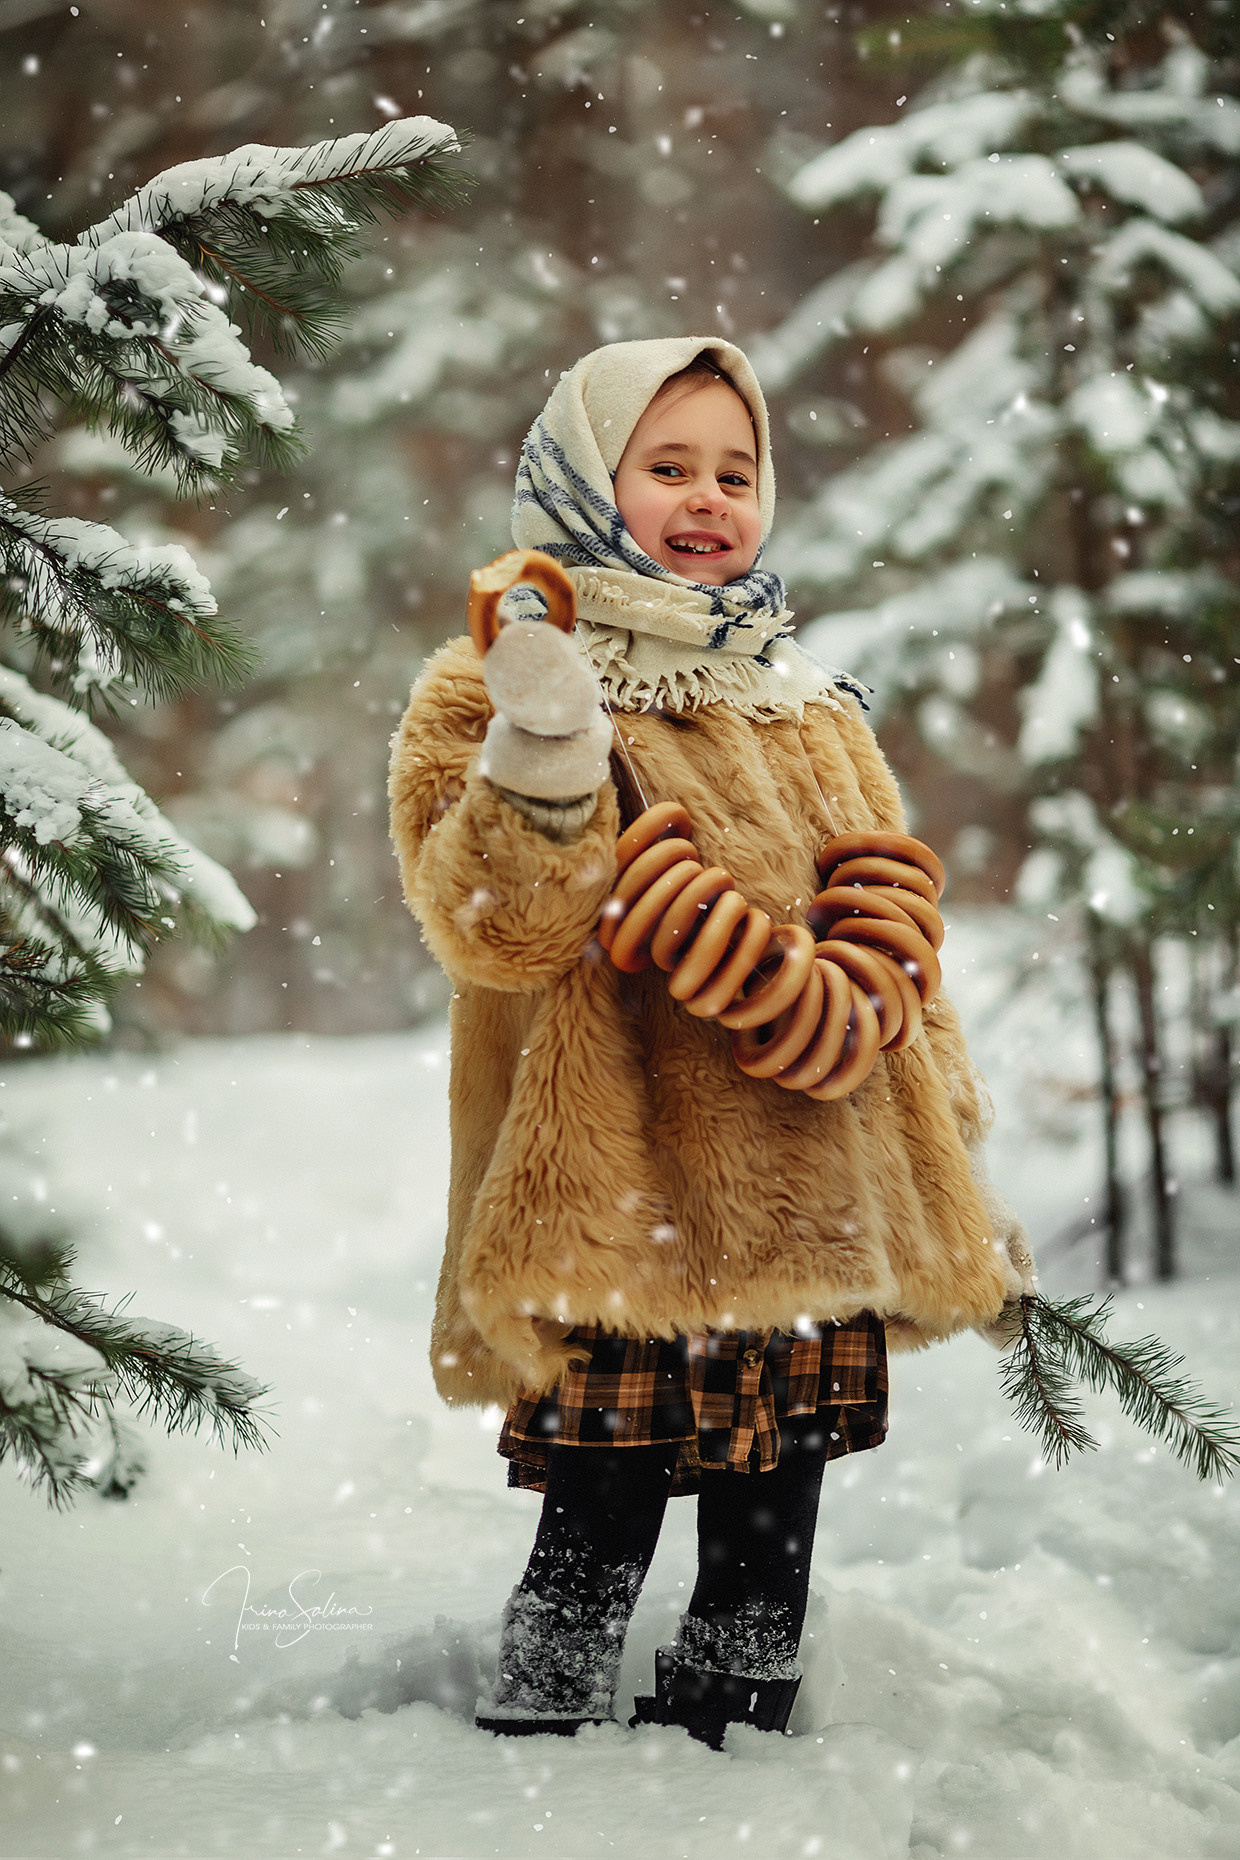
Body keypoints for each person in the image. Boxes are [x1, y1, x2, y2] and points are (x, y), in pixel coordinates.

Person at [388, 338, 1034, 1749]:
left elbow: (892, 955)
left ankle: (738, 1752)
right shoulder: (495, 683)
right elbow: (494, 925)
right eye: (666, 466)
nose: (707, 498)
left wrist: (950, 1130)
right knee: (599, 1508)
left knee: (773, 1515)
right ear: (579, 479)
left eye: (734, 472)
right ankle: (530, 1755)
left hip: (815, 1190)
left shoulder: (806, 704)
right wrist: (545, 746)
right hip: (625, 1201)